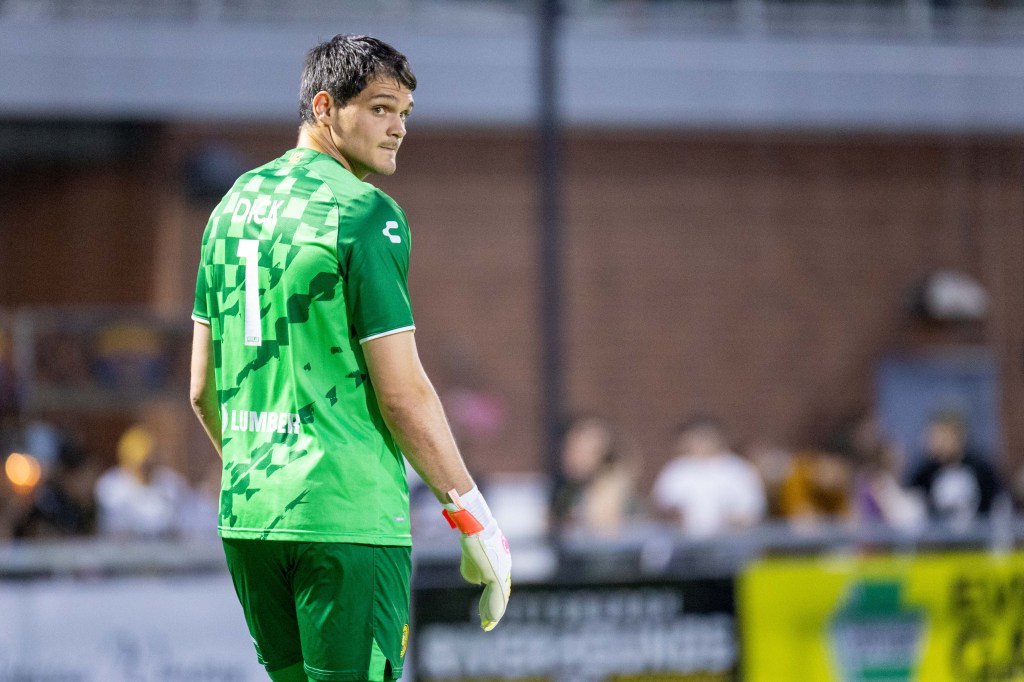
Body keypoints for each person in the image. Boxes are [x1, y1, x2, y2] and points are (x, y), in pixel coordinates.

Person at [189, 35, 510, 682]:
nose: (398, 130)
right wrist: (472, 515)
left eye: (406, 114)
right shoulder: (365, 213)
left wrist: (271, 473)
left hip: (251, 518)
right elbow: (403, 394)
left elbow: (201, 388)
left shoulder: (230, 208)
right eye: (381, 110)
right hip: (347, 520)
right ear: (325, 107)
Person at [652, 415, 765, 537]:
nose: (700, 443)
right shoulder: (677, 469)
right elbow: (660, 506)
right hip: (684, 543)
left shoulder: (739, 469)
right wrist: (673, 515)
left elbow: (753, 511)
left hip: (730, 542)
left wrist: (734, 519)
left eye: (704, 437)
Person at [905, 410, 1001, 529]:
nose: (936, 442)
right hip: (938, 542)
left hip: (976, 542)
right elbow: (911, 503)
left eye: (942, 436)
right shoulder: (925, 472)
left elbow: (998, 503)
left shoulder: (980, 468)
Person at [94, 424, 189, 539]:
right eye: (140, 461)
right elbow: (115, 531)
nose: (145, 466)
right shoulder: (110, 486)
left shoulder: (172, 484)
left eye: (149, 459)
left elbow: (182, 528)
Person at [551, 414, 640, 536]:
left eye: (579, 452)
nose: (569, 458)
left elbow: (603, 531)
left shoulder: (611, 488)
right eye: (568, 449)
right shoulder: (571, 489)